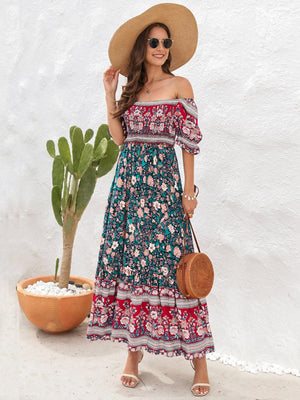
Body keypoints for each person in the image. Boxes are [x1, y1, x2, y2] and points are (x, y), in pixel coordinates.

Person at [86, 3, 215, 397]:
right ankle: (133, 353)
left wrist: (188, 193)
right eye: (154, 41)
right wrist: (109, 93)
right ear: (143, 47)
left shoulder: (181, 86)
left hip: (162, 190)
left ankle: (199, 359)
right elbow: (121, 139)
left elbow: (188, 146)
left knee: (173, 271)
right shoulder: (133, 89)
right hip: (128, 190)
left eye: (165, 42)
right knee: (133, 269)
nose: (161, 47)